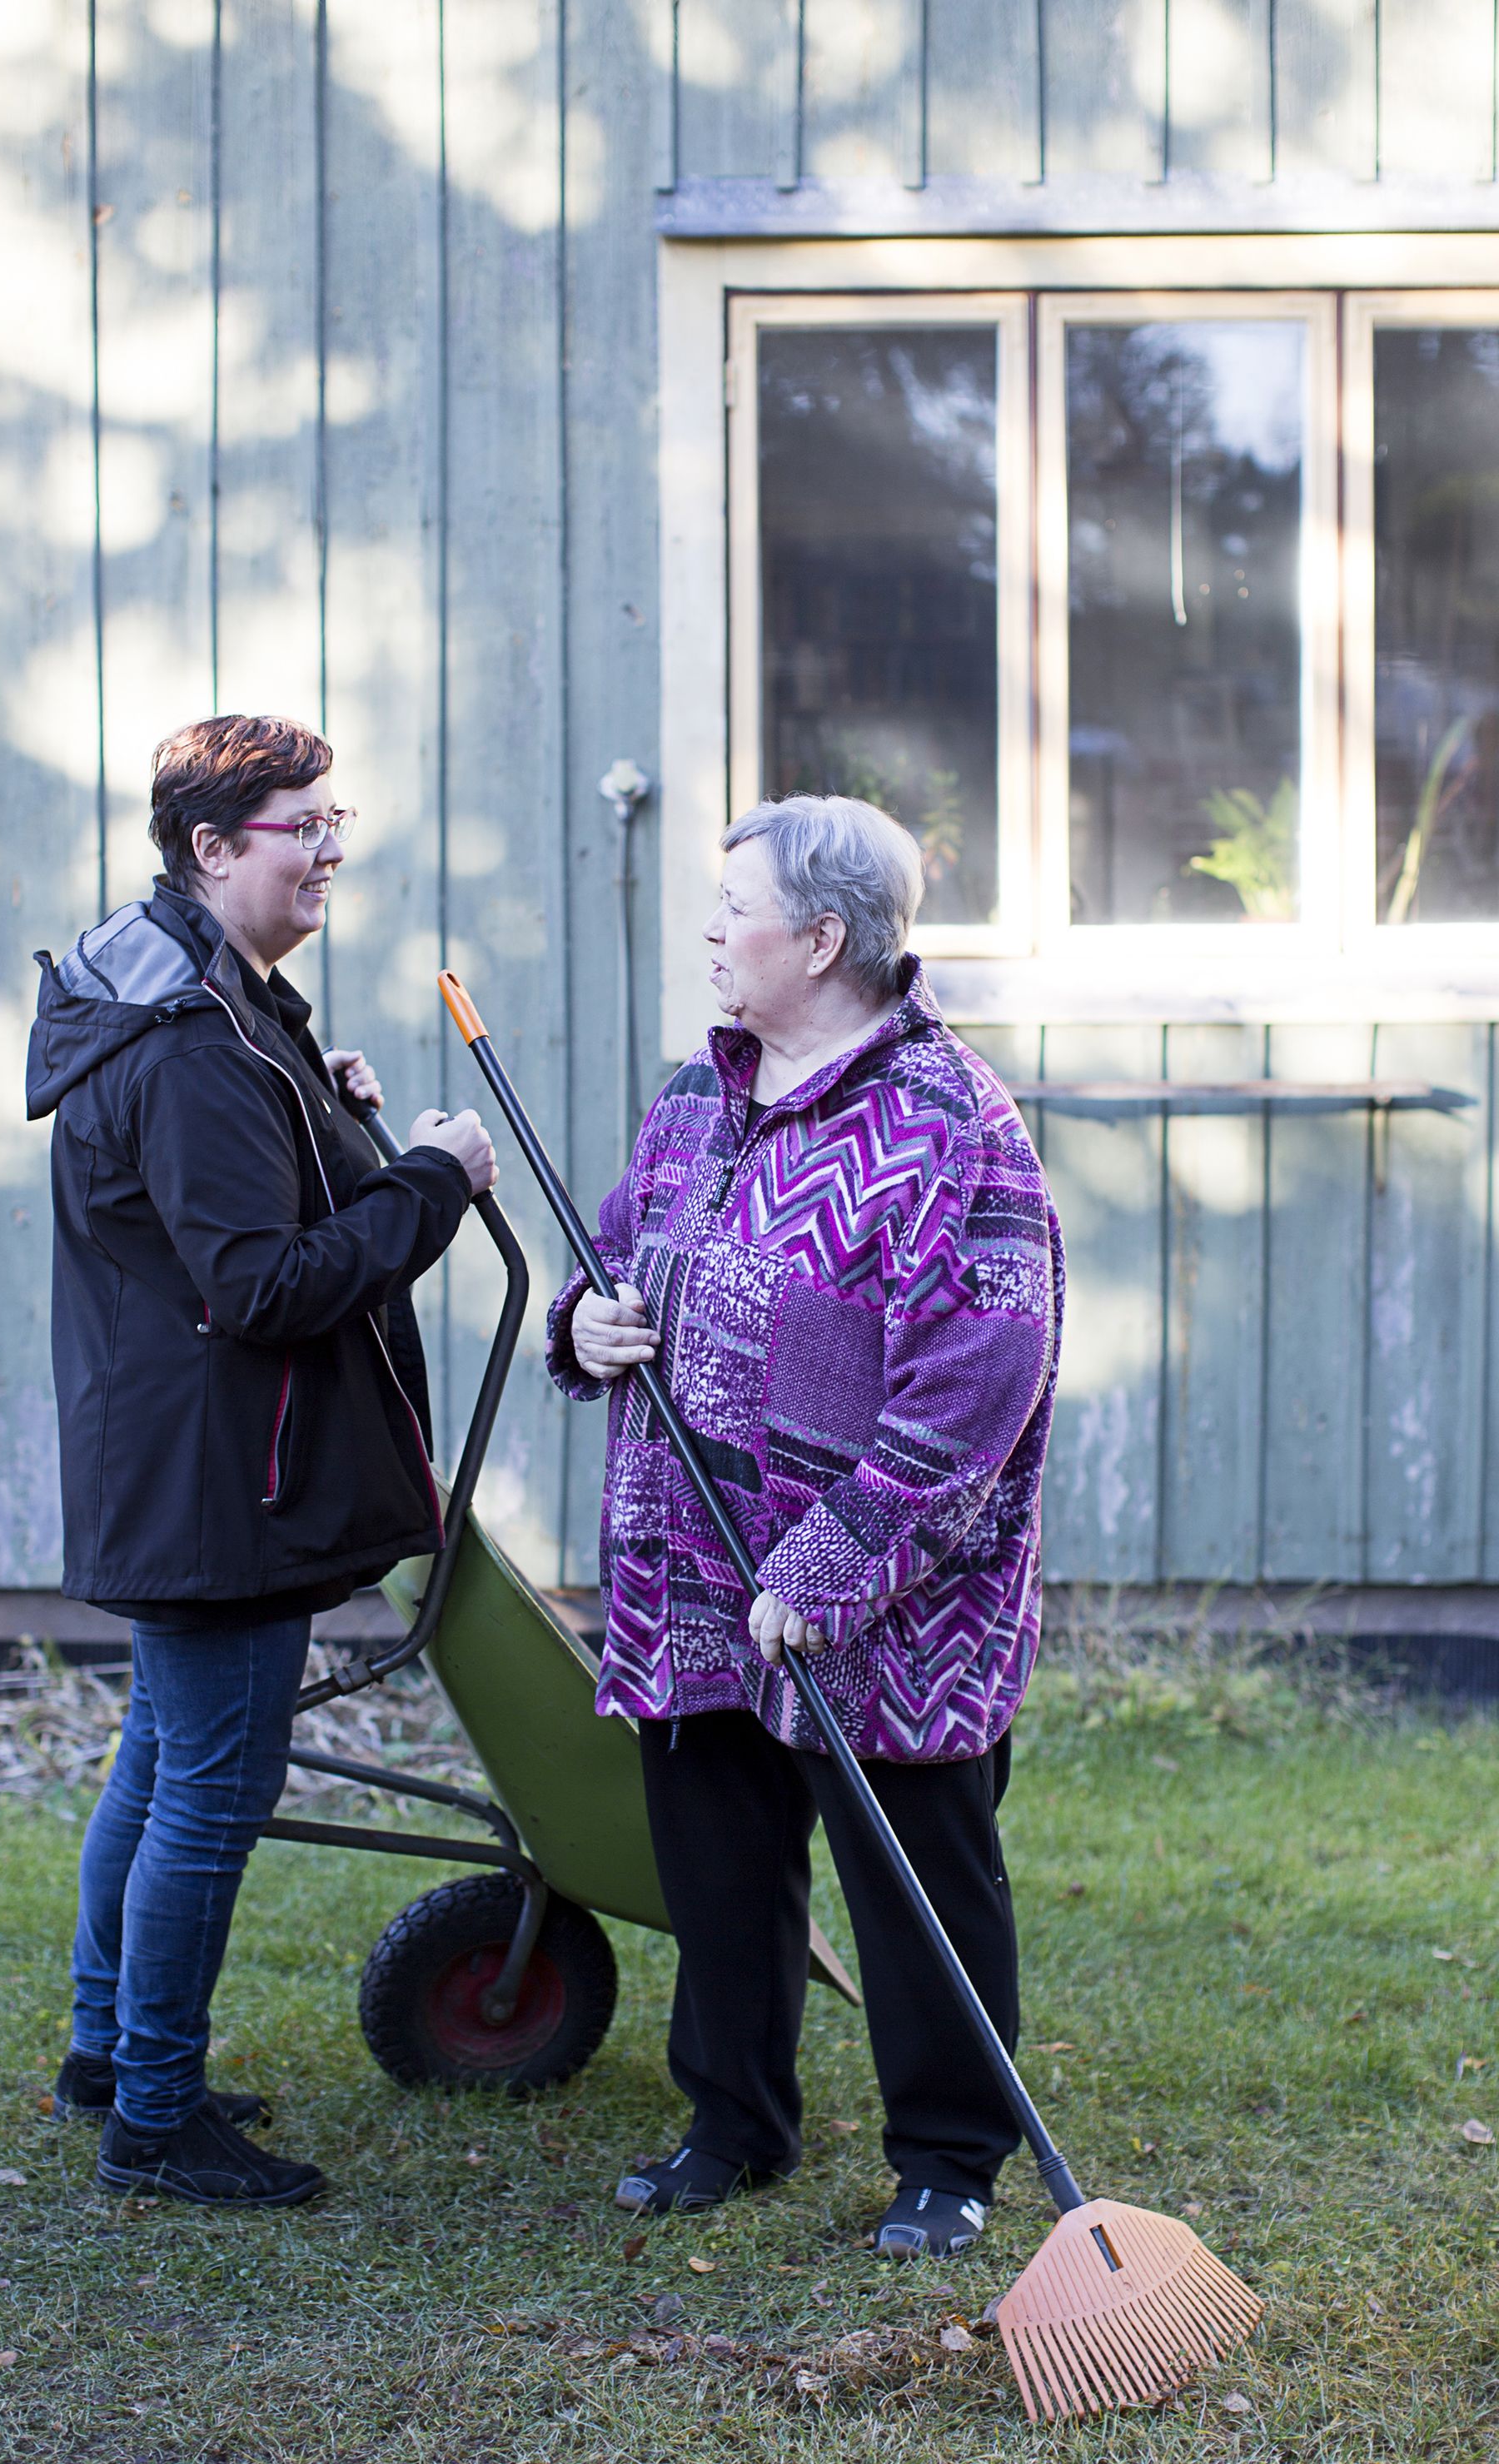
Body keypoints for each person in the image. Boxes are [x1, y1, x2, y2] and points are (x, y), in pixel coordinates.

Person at [546, 794, 1063, 2261]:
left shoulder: (952, 1123)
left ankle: (950, 2157)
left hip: (890, 1596)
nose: (711, 933)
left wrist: (835, 1560)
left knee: (919, 1880)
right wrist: (585, 1322)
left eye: (735, 910)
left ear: (825, 937)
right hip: (691, 1566)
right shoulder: (694, 1099)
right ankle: (733, 2120)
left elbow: (982, 1378)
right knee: (718, 1858)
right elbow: (614, 1252)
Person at [27, 714, 496, 2208]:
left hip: (178, 1458)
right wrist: (431, 1178)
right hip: (226, 1478)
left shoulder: (195, 996)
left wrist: (316, 1102)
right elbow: (266, 1286)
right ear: (212, 846)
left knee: (159, 1769)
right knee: (209, 1793)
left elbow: (222, 1218)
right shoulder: (192, 1046)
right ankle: (154, 2119)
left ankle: (111, 2058)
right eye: (304, 824)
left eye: (334, 815)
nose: (332, 848)